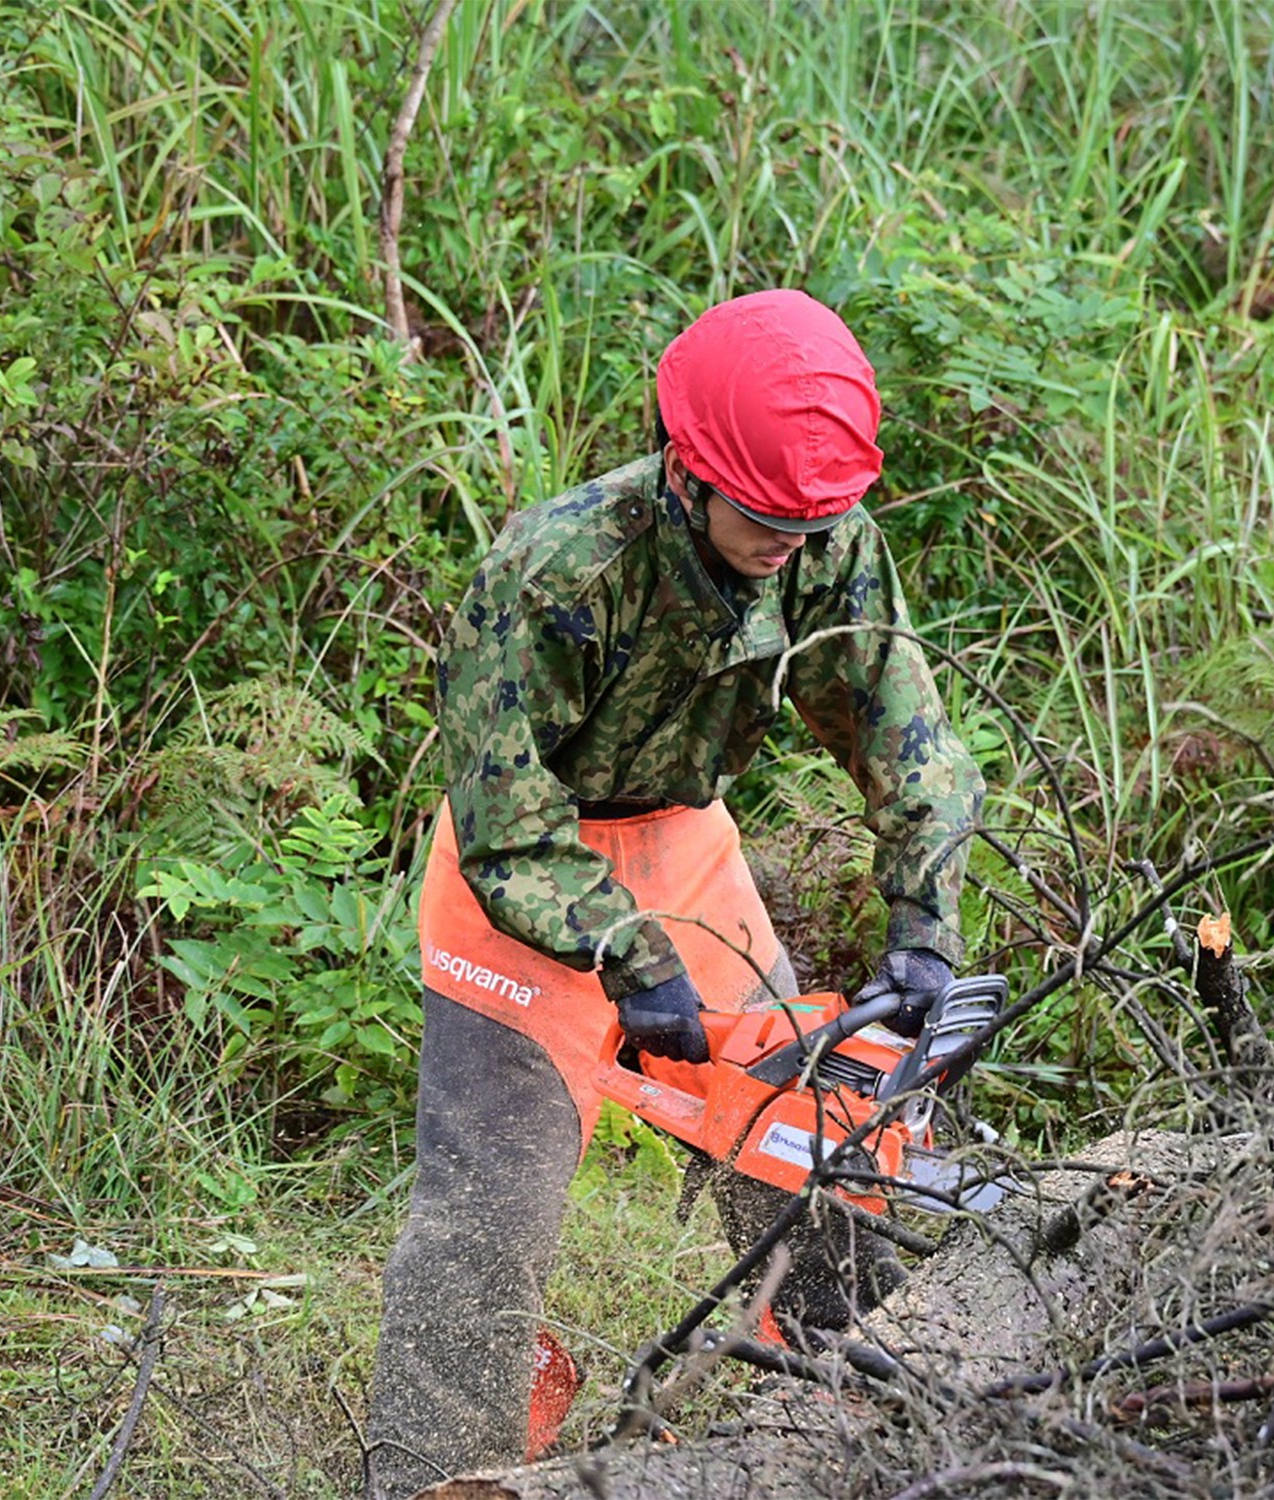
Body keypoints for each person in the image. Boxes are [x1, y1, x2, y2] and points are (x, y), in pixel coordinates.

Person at [365, 289, 986, 1497]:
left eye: (814, 523)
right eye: (766, 518)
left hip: (686, 853)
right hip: (528, 876)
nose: (791, 546)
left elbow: (903, 727)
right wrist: (624, 952)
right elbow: (501, 813)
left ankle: (862, 1439)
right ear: (690, 470)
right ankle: (436, 1479)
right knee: (486, 1223)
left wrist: (923, 920)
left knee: (810, 1140)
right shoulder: (555, 569)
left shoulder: (824, 542)